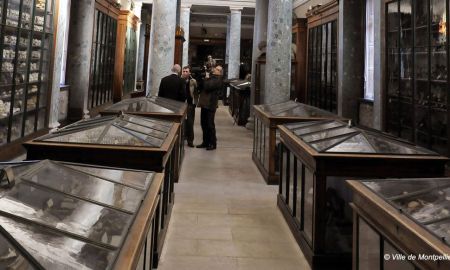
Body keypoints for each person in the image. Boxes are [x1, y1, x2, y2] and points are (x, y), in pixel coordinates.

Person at [196, 65, 223, 150]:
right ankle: (205, 142)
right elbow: (201, 86)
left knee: (210, 125)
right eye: (216, 68)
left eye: (218, 69)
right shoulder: (212, 77)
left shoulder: (218, 79)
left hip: (210, 105)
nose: (215, 69)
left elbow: (207, 87)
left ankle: (212, 143)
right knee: (203, 124)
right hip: (204, 104)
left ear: (220, 72)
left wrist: (206, 78)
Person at [181, 66, 198, 147]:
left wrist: (195, 102)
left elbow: (196, 92)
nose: (184, 73)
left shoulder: (193, 81)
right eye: (183, 71)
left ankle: (190, 141)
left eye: (186, 71)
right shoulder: (179, 80)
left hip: (190, 104)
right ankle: (182, 138)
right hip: (181, 104)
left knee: (190, 123)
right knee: (182, 122)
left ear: (189, 72)